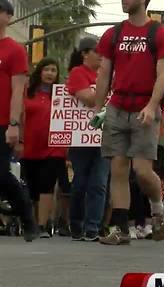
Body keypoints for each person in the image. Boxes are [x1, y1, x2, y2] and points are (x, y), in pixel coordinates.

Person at [93, 0, 164, 245]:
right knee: (118, 168)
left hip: (144, 108)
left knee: (141, 171)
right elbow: (104, 73)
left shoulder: (160, 33)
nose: (123, 0)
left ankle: (158, 210)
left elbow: (163, 74)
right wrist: (98, 109)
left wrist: (151, 106)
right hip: (117, 107)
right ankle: (120, 228)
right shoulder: (112, 33)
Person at [66, 37, 111, 242]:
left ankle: (92, 227)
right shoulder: (78, 73)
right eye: (97, 51)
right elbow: (90, 98)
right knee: (80, 183)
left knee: (99, 184)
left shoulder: (109, 74)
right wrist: (104, 86)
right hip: (81, 138)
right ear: (85, 54)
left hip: (104, 138)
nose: (101, 55)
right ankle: (76, 225)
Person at [0, 0, 38, 241]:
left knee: (1, 175)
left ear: (8, 16)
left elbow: (18, 91)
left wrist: (14, 125)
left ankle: (26, 216)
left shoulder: (14, 50)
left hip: (3, 122)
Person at [20, 58, 67, 238]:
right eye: (46, 69)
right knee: (30, 187)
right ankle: (30, 223)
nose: (49, 73)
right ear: (39, 72)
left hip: (53, 148)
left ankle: (42, 225)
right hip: (30, 147)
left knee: (47, 186)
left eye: (53, 70)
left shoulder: (63, 96)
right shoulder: (27, 93)